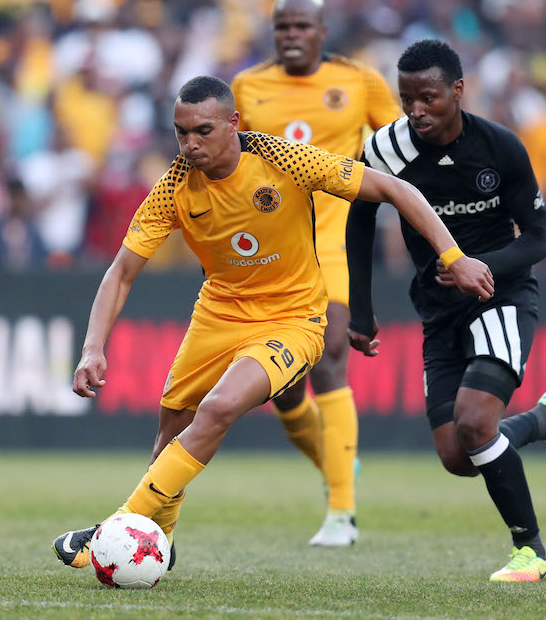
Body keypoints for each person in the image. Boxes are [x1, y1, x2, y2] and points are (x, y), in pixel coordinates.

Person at [52, 75, 494, 571]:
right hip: (218, 313)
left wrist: (453, 255)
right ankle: (159, 537)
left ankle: (114, 528)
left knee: (217, 408)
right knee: (170, 430)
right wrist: (93, 347)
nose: (190, 144)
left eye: (202, 131)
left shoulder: (283, 158)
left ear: (232, 124)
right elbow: (121, 272)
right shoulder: (174, 185)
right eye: (180, 133)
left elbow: (395, 188)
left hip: (293, 319)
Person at [346, 39, 546, 583]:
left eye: (428, 97)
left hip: (499, 298)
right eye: (406, 98)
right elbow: (359, 216)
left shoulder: (501, 148)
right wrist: (360, 310)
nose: (416, 111)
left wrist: (478, 265)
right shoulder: (385, 149)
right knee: (458, 453)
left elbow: (539, 238)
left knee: (478, 423)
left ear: (458, 90)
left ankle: (532, 552)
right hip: (437, 310)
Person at [230, 0, 402, 547]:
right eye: (283, 27)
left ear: (322, 31)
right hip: (275, 253)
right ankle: (335, 463)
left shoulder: (358, 81)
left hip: (333, 243)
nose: (292, 35)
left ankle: (341, 514)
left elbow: (403, 144)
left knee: (329, 357)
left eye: (302, 26)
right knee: (281, 391)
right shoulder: (247, 88)